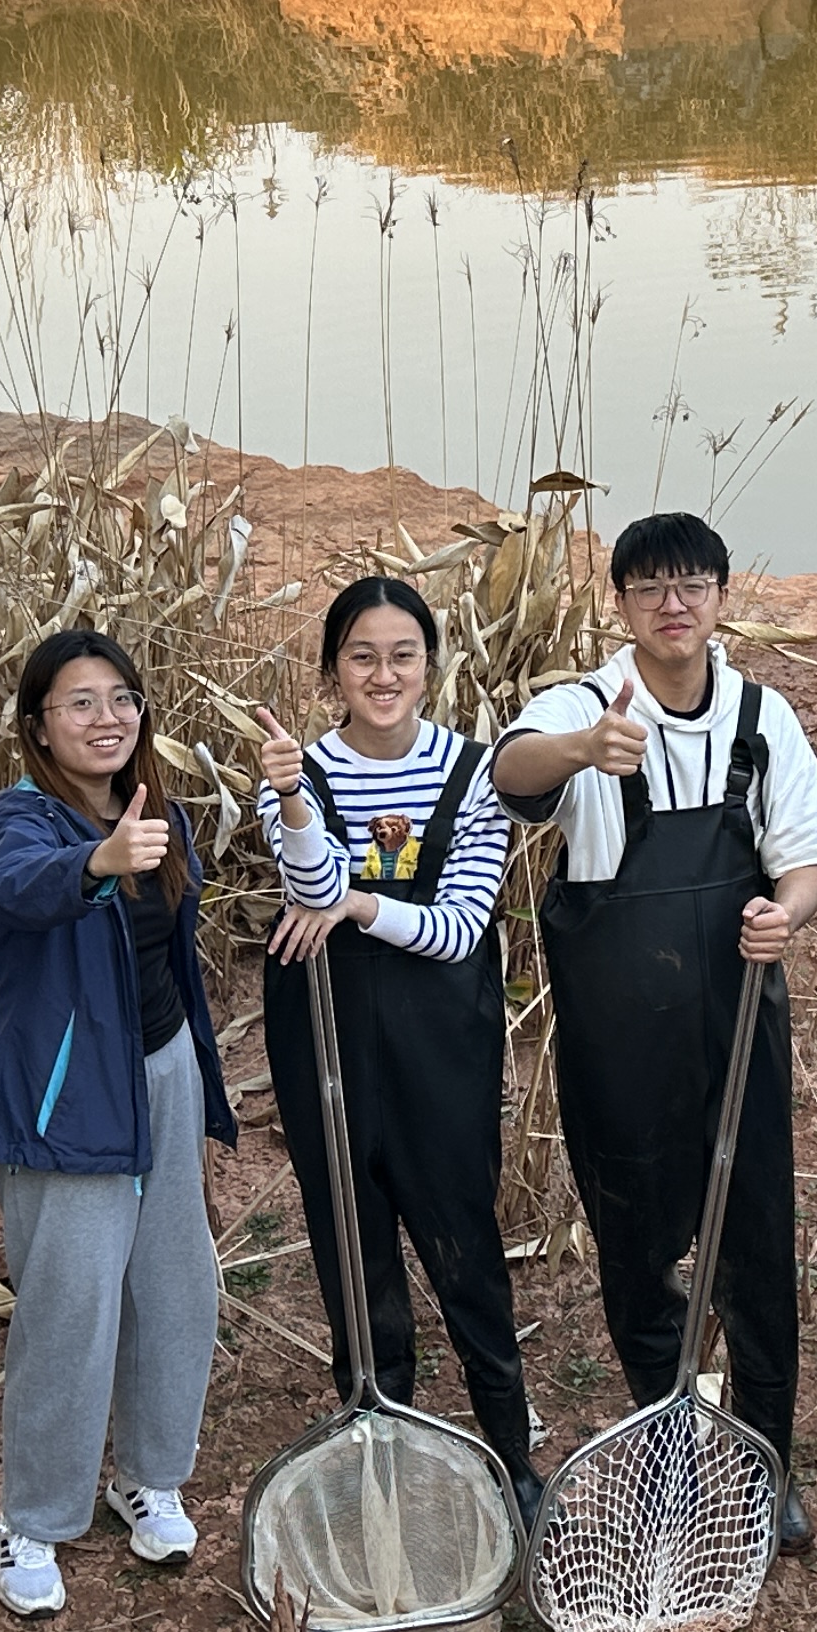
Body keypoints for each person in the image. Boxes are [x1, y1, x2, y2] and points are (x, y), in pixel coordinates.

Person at [493, 511, 817, 1552]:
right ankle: (667, 1436)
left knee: (756, 1241)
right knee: (638, 1240)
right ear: (624, 604)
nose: (673, 604)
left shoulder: (761, 718)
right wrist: (579, 749)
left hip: (737, 1023)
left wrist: (790, 910)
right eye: (650, 588)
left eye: (691, 584)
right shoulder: (588, 702)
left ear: (721, 598)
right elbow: (513, 771)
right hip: (620, 1035)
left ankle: (764, 1453)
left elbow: (810, 852)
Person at [0, 628, 240, 1620]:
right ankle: (33, 1517)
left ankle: (148, 1475)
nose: (106, 717)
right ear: (39, 722)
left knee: (175, 1284)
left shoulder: (155, 806)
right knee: (70, 1307)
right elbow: (15, 890)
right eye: (80, 702)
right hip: (69, 1094)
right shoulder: (23, 819)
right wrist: (98, 861)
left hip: (161, 1070)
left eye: (121, 697)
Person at [264, 576, 540, 1528]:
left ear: (431, 663)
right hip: (327, 1028)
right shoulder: (296, 772)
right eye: (360, 656)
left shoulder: (476, 773)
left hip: (440, 1033)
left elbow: (463, 927)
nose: (383, 675)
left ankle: (510, 1445)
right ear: (333, 667)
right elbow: (312, 873)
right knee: (350, 1228)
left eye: (403, 655)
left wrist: (353, 907)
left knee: (459, 1229)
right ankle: (382, 1434)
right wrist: (300, 810)